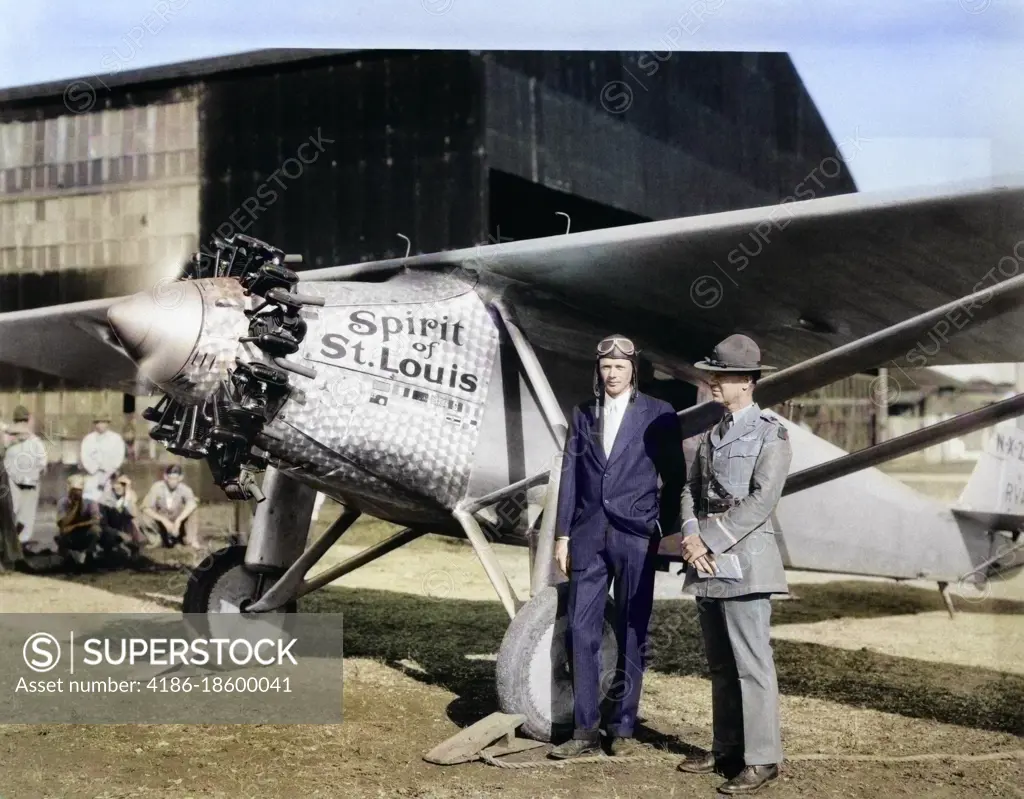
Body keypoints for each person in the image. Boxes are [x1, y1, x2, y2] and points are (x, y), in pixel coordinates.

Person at [549, 334, 684, 759]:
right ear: (598, 370)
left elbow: (675, 478)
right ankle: (584, 730)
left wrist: (661, 528)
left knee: (631, 629)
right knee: (580, 630)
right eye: (606, 367)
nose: (612, 374)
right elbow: (570, 477)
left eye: (620, 368)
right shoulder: (583, 414)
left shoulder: (658, 414)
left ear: (632, 371)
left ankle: (622, 728)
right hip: (588, 537)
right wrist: (562, 535)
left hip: (635, 538)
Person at [675, 334, 792, 795]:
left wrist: (707, 539)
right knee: (721, 664)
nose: (712, 382)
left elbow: (763, 501)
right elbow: (690, 489)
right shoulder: (711, 435)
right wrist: (689, 534)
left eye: (720, 375)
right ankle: (726, 747)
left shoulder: (771, 432)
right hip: (707, 564)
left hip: (745, 561)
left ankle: (762, 760)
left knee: (752, 665)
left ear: (745, 381)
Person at [3, 406, 49, 553]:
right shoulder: (8, 439)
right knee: (13, 510)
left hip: (30, 481)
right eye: (19, 421)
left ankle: (22, 542)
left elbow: (42, 461)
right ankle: (10, 542)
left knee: (27, 513)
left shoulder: (35, 441)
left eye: (23, 421)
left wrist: (36, 472)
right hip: (13, 480)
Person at [55, 473, 112, 565]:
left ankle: (90, 554)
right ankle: (66, 555)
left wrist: (76, 525)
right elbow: (62, 524)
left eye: (79, 491)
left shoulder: (90, 502)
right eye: (74, 491)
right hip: (70, 535)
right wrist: (75, 508)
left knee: (96, 529)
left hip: (84, 532)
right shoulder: (63, 502)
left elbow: (96, 520)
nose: (76, 493)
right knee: (59, 535)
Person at [140, 465, 200, 549]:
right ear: (165, 477)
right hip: (161, 520)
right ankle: (156, 540)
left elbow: (192, 504)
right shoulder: (157, 487)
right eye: (170, 478)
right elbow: (145, 507)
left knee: (192, 511)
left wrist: (179, 520)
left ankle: (191, 540)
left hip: (177, 521)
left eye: (175, 479)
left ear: (180, 478)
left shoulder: (185, 489)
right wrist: (163, 520)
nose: (173, 482)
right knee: (144, 516)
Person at [98, 471, 146, 560]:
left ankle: (130, 547)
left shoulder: (129, 495)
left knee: (134, 522)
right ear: (112, 484)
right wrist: (119, 534)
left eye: (123, 484)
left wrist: (127, 494)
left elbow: (134, 514)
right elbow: (103, 525)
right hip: (110, 532)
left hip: (126, 530)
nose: (119, 487)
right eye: (116, 483)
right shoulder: (105, 498)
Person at [80, 413, 126, 502]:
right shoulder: (88, 439)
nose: (101, 425)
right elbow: (85, 457)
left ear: (108, 423)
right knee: (91, 499)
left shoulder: (116, 438)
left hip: (111, 475)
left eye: (103, 422)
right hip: (93, 474)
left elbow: (119, 457)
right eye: (98, 422)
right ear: (95, 424)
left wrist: (109, 471)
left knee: (110, 501)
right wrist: (96, 469)